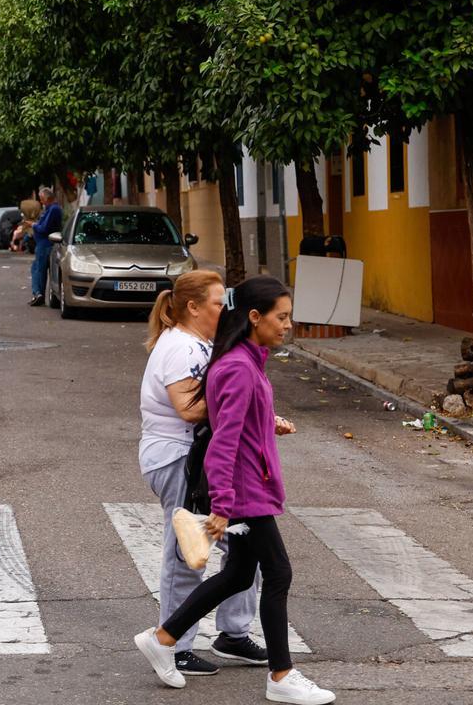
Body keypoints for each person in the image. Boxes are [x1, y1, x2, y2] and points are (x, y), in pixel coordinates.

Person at [134, 276, 336, 705]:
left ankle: (164, 637)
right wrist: (223, 506)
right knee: (278, 573)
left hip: (248, 484)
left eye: (289, 317)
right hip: (244, 490)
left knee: (241, 573)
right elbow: (222, 442)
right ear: (255, 317)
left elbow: (239, 424)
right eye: (281, 317)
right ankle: (281, 675)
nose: (288, 326)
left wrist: (267, 423)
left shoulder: (246, 359)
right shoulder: (239, 367)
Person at [139, 270, 267, 679]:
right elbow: (190, 409)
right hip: (178, 457)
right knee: (186, 555)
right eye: (217, 302)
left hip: (201, 457)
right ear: (193, 307)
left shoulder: (198, 342)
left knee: (244, 545)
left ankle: (232, 633)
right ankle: (174, 646)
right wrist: (242, 406)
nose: (224, 308)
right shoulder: (179, 347)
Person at [29, 187, 62, 306]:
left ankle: (38, 294)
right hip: (44, 244)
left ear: (47, 198)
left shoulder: (53, 209)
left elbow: (44, 228)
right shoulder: (50, 209)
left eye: (42, 199)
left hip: (46, 245)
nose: (41, 202)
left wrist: (34, 225)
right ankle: (39, 293)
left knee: (39, 269)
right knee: (38, 269)